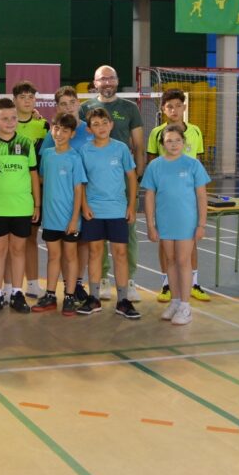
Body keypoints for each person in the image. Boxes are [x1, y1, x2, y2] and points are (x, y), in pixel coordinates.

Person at [79, 65, 145, 302]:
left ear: (117, 81)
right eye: (101, 79)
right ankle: (103, 279)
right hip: (94, 184)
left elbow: (138, 146)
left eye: (110, 78)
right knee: (95, 238)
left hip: (122, 182)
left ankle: (129, 280)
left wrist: (136, 179)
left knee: (128, 233)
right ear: (94, 83)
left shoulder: (129, 108)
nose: (106, 83)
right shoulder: (85, 109)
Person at [0, 97, 40, 315]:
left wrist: (37, 205)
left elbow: (33, 176)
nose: (10, 122)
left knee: (18, 250)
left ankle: (17, 293)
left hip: (22, 207)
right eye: (5, 118)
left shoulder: (26, 144)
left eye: (13, 118)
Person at [146, 89, 209, 304]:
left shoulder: (196, 132)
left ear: (184, 107)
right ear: (163, 109)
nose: (174, 110)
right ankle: (166, 284)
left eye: (177, 106)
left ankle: (193, 282)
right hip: (166, 199)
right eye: (169, 106)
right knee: (166, 246)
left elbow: (200, 161)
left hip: (188, 199)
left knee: (189, 245)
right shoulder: (156, 133)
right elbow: (152, 162)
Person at [32, 113, 85, 315]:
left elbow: (79, 189)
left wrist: (74, 219)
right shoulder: (46, 154)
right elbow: (44, 179)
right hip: (51, 219)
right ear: (51, 130)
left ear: (72, 134)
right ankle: (51, 295)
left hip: (70, 219)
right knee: (53, 256)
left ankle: (70, 296)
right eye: (56, 129)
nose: (59, 133)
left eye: (65, 130)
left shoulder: (74, 158)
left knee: (70, 256)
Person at [13, 80, 49, 300]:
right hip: (12, 189)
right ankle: (7, 284)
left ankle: (33, 283)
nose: (27, 101)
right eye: (23, 97)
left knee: (31, 237)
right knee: (11, 240)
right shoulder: (7, 122)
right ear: (15, 100)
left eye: (31, 97)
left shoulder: (43, 125)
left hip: (34, 189)